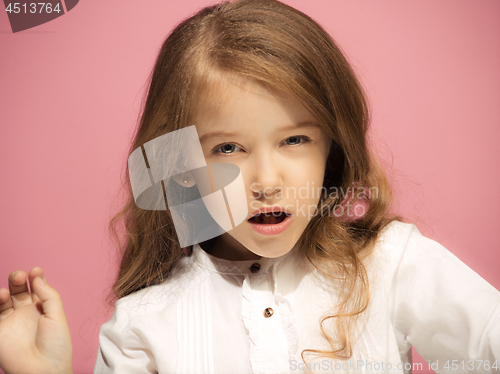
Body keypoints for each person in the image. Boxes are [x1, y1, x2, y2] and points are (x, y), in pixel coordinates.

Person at [0, 0, 499, 373]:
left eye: (295, 139)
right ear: (180, 169)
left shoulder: (391, 265)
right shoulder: (143, 326)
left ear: (332, 147)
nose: (265, 181)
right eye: (227, 149)